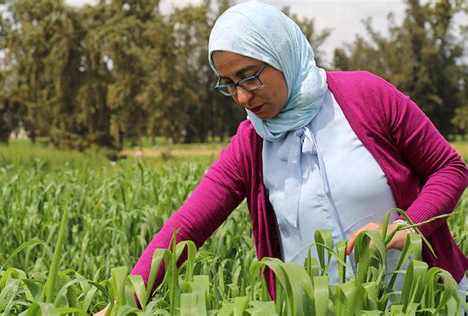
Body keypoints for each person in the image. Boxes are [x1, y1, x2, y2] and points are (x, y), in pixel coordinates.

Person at [97, 2, 467, 313]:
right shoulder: (252, 142)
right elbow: (187, 226)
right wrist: (125, 300)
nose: (242, 97)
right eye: (228, 84)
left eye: (249, 77)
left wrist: (409, 225)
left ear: (282, 55)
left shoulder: (366, 96)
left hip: (419, 299)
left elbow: (448, 168)